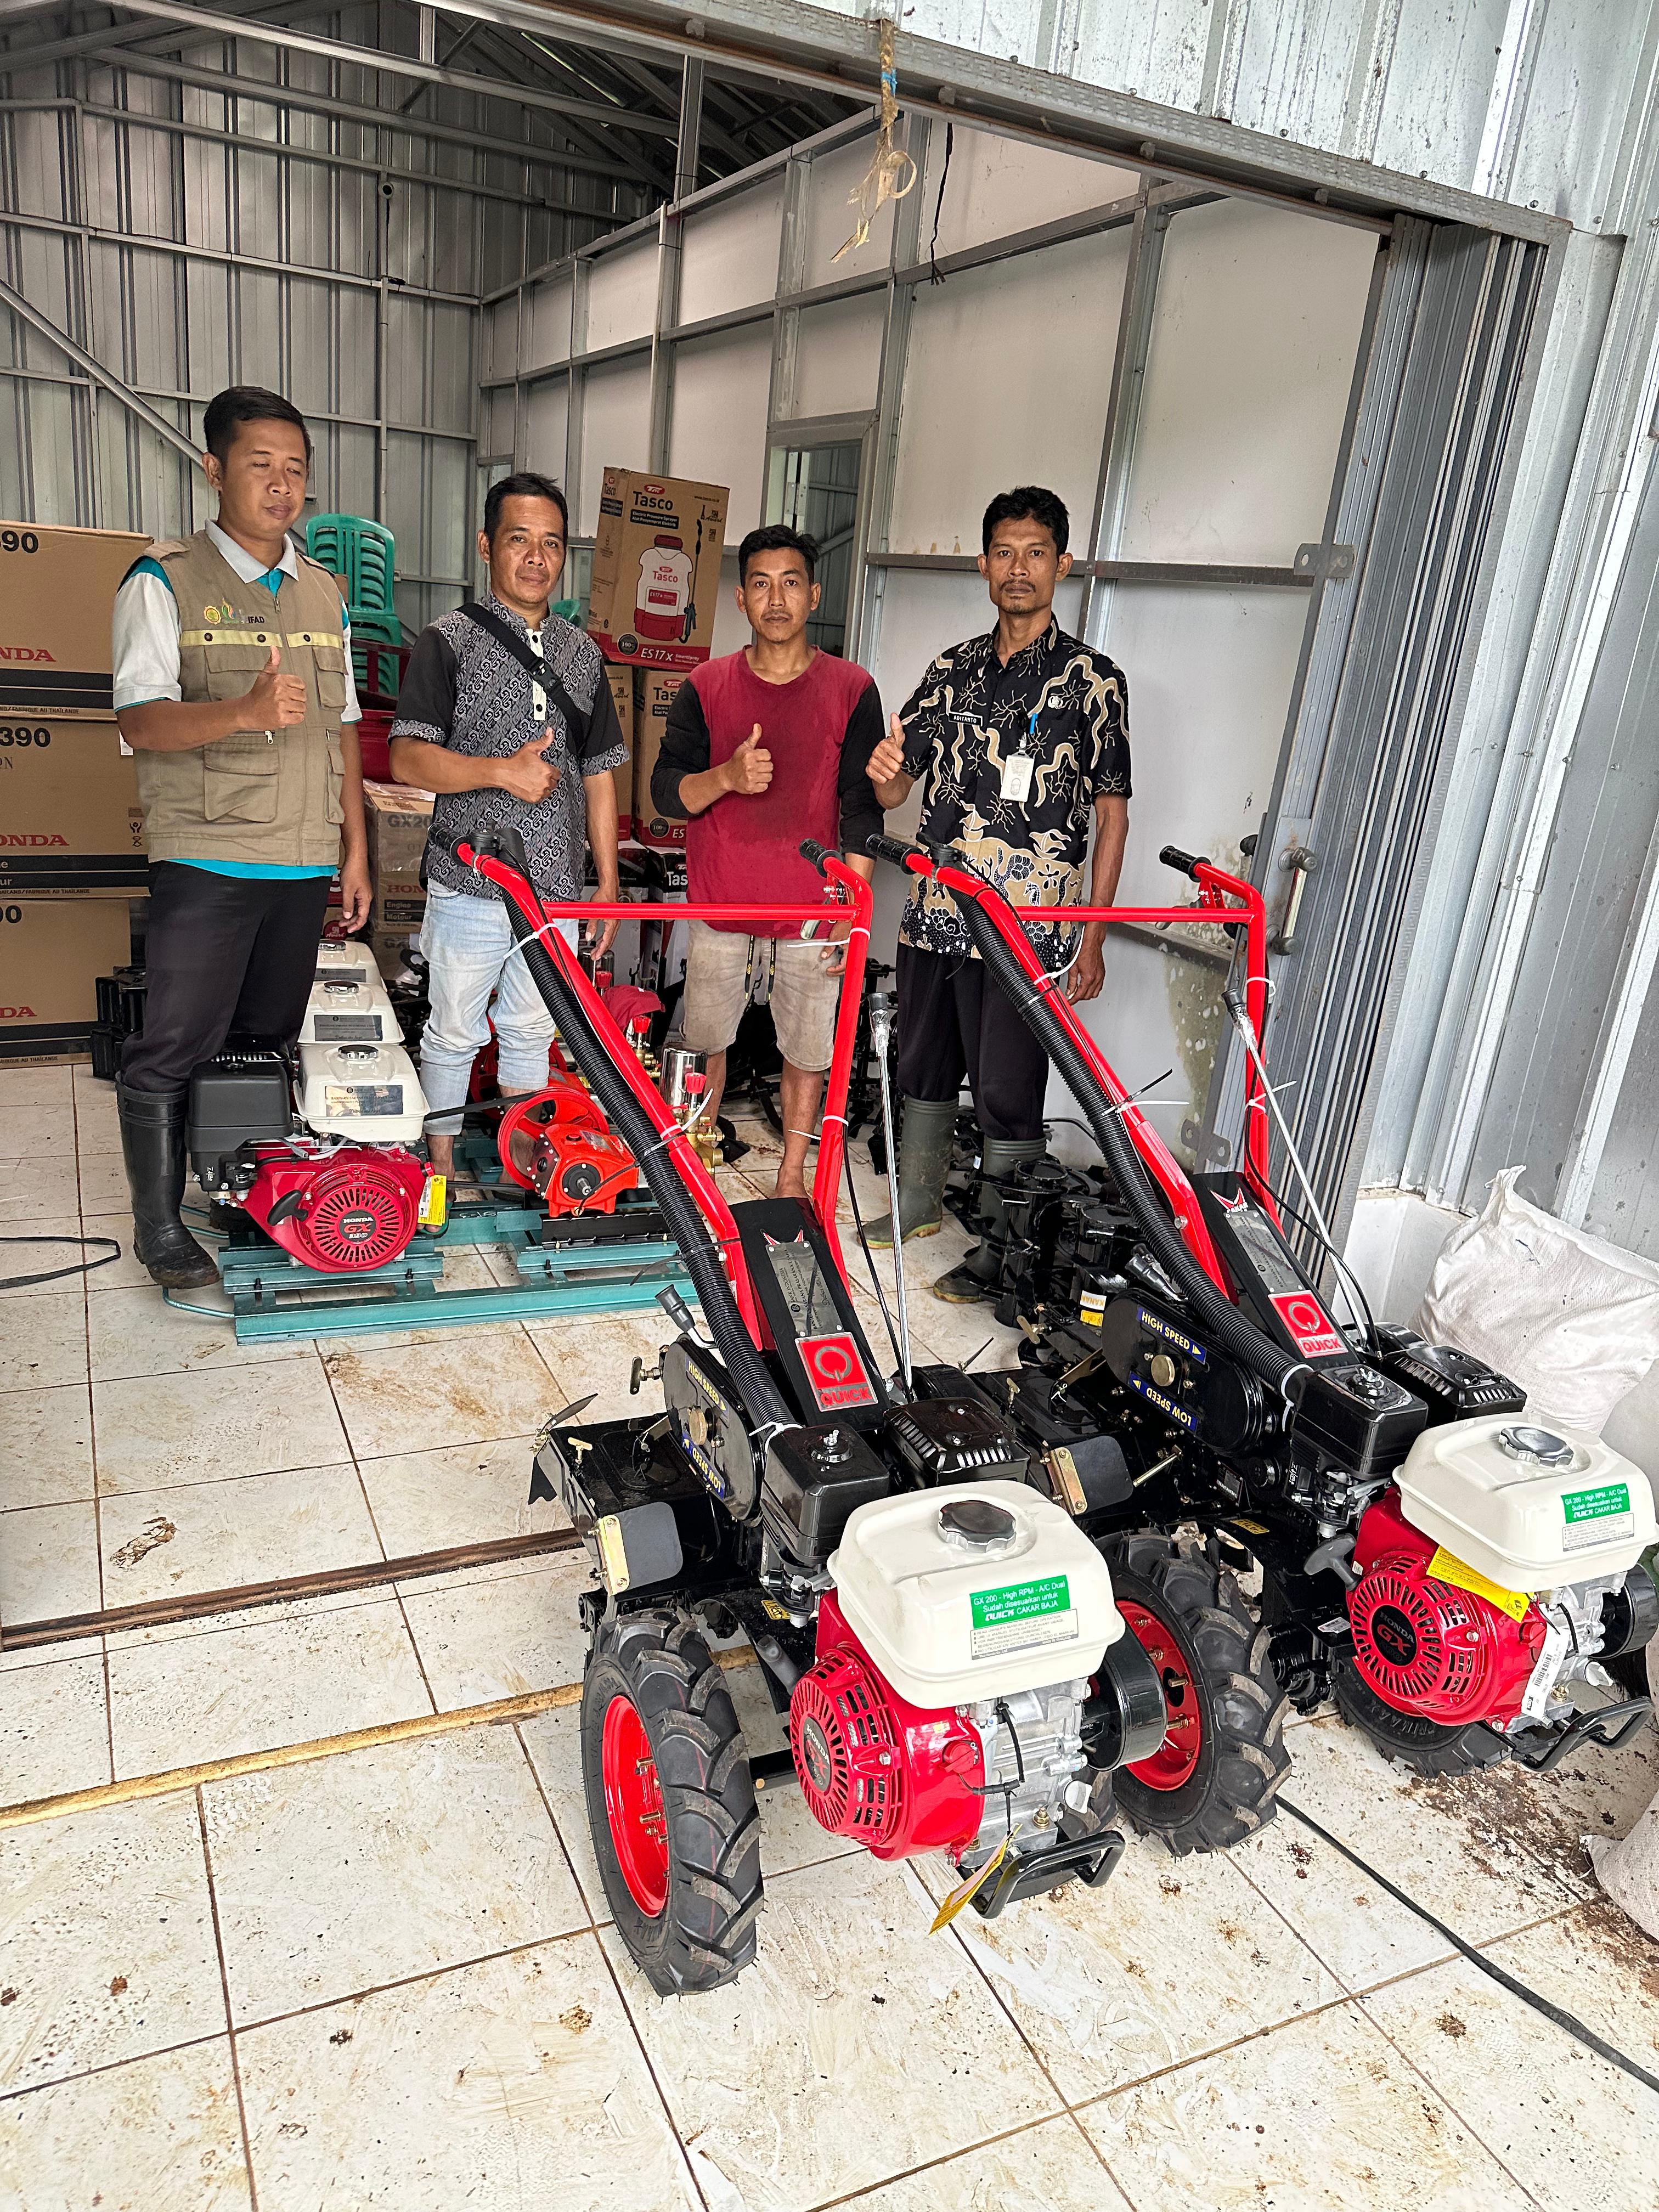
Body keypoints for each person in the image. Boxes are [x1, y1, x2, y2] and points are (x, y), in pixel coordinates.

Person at [112, 385, 370, 1288]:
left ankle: (236, 1193)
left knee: (261, 1036)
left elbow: (341, 724)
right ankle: (158, 1229)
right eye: (260, 464)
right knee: (174, 1042)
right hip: (209, 854)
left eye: (295, 469)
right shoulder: (164, 579)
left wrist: (357, 847)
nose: (280, 484)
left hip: (301, 857)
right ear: (215, 468)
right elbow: (141, 722)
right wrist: (243, 711)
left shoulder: (324, 589)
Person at [864, 483, 1131, 1302]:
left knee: (1010, 1089)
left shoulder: (1094, 682)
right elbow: (893, 788)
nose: (1019, 569)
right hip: (935, 916)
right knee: (923, 1064)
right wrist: (882, 776)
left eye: (1036, 553)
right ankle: (915, 1202)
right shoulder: (951, 670)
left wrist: (1093, 937)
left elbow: (1112, 817)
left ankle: (1004, 1246)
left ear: (1063, 565)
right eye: (1004, 553)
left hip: (1029, 933)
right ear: (984, 564)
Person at [388, 471, 623, 1178]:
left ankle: (520, 1155)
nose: (536, 557)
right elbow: (406, 758)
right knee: (454, 1028)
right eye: (519, 539)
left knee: (530, 1027)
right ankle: (439, 1164)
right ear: (488, 547)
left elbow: (602, 770)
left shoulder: (583, 654)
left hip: (556, 888)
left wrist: (605, 880)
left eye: (551, 543)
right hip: (470, 881)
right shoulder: (447, 641)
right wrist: (499, 771)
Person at [651, 524, 884, 1199]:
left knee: (808, 1054)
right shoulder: (706, 685)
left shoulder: (851, 688)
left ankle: (790, 1178)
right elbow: (668, 793)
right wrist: (725, 776)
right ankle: (692, 1172)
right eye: (760, 584)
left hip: (814, 911)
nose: (775, 598)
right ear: (741, 599)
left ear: (814, 595)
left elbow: (862, 807)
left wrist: (852, 904)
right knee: (703, 1041)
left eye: (790, 583)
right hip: (723, 903)